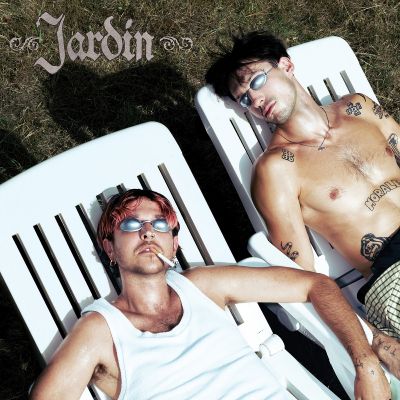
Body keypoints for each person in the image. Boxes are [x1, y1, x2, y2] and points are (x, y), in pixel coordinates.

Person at [29, 188, 390, 399]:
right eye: (131, 225)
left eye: (159, 225)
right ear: (109, 248)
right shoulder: (100, 331)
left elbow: (316, 285)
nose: (148, 233)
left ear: (174, 245)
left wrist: (367, 363)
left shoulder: (203, 285)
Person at [205, 31, 400, 341]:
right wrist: (368, 342)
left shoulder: (359, 108)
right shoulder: (277, 170)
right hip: (392, 273)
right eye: (244, 99)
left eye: (256, 81)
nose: (255, 100)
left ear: (286, 65)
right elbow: (303, 277)